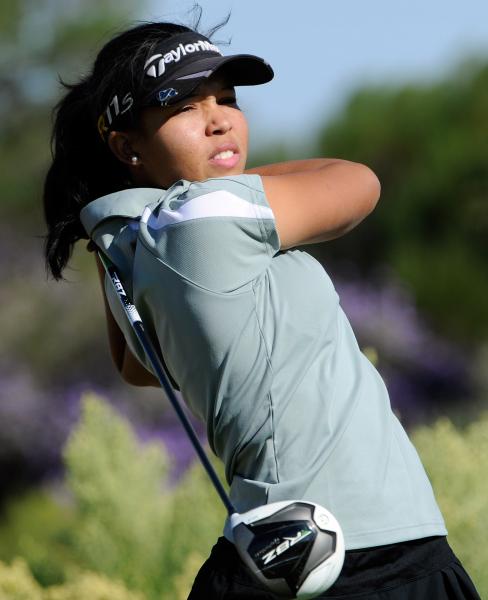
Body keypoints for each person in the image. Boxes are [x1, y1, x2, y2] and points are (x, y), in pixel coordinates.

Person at [42, 17, 481, 600]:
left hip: (313, 552)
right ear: (127, 146)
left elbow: (139, 365)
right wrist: (219, 186)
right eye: (185, 106)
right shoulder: (206, 217)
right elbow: (359, 183)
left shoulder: (134, 245)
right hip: (366, 557)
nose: (220, 119)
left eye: (226, 99)